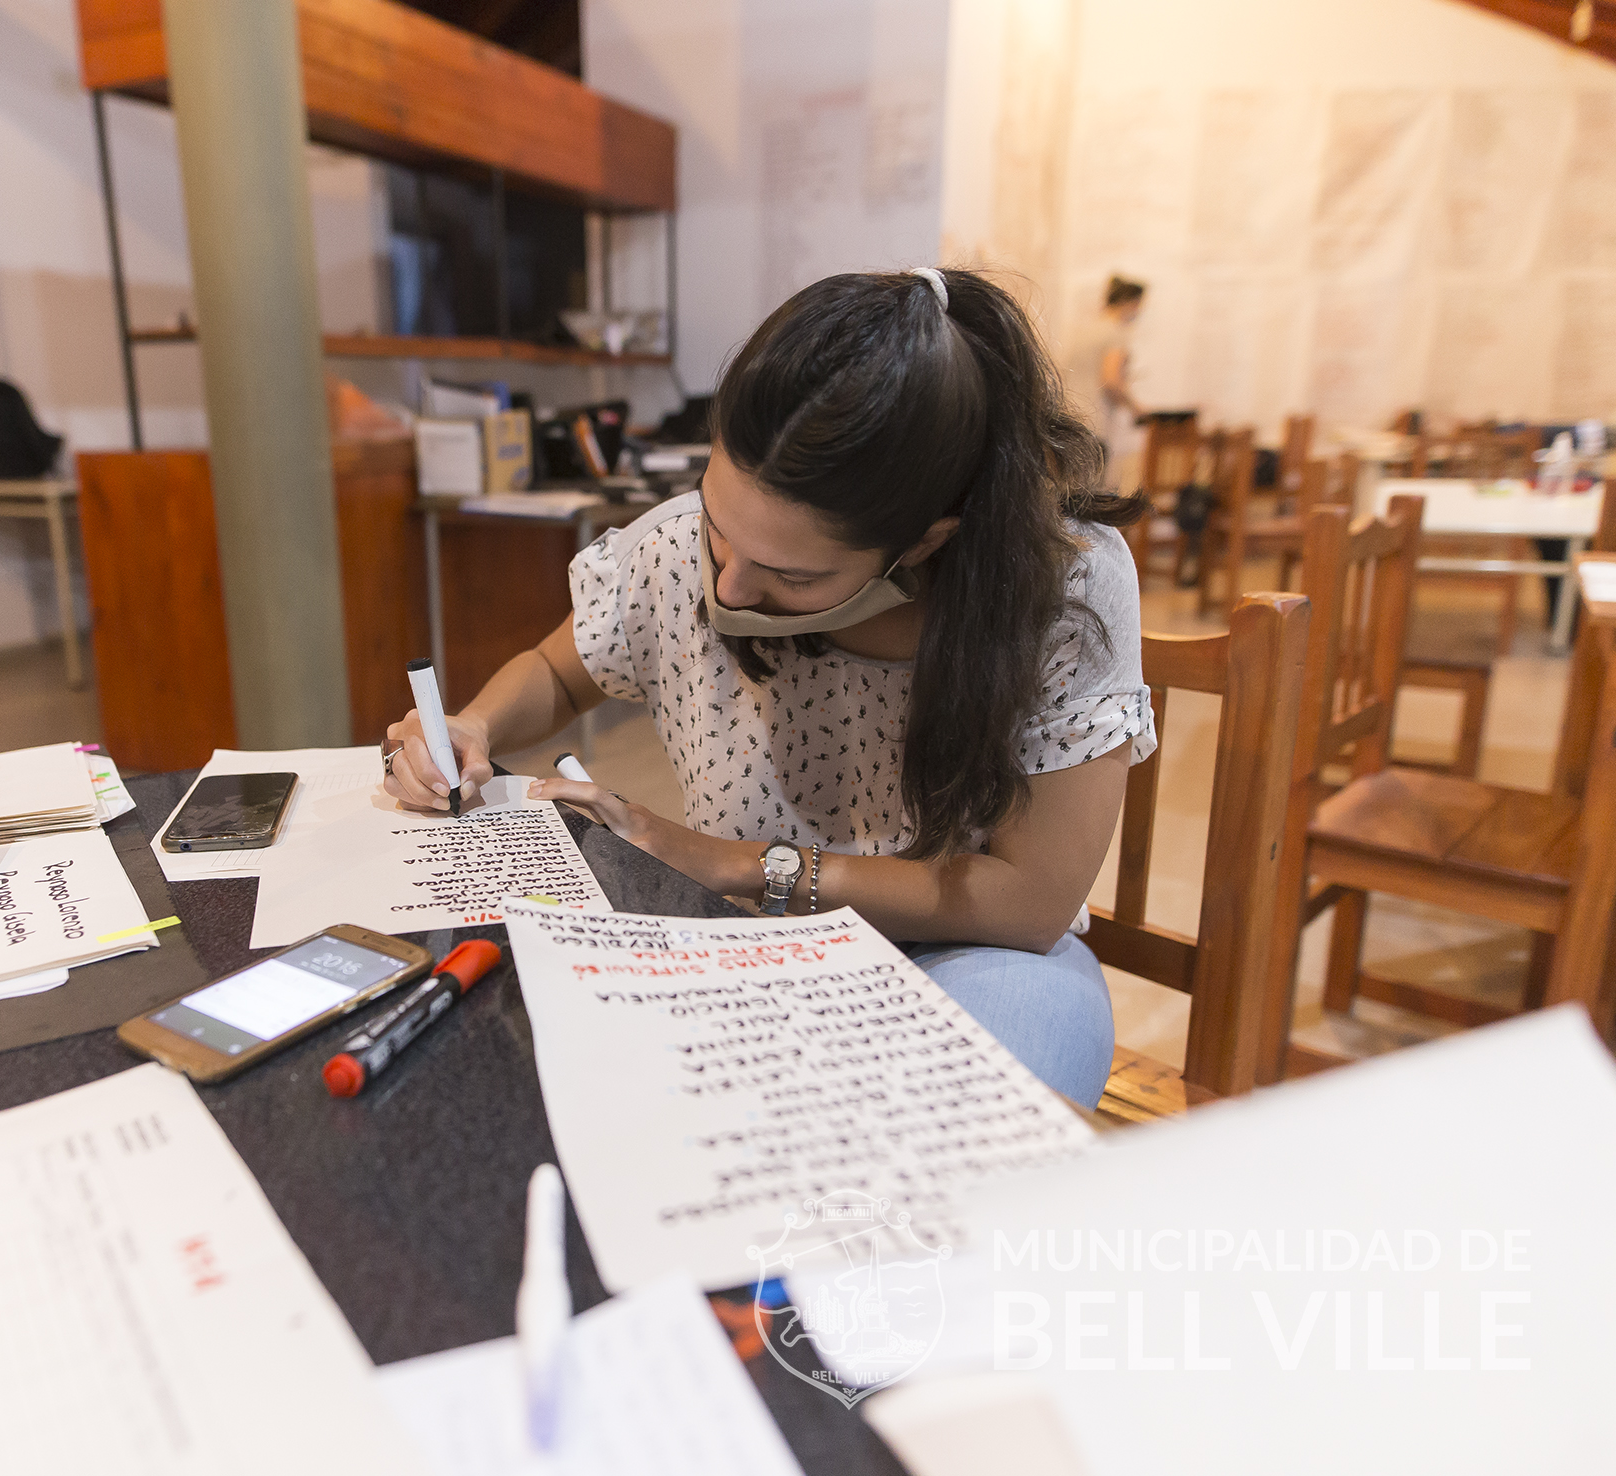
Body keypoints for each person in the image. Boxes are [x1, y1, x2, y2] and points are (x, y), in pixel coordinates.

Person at [383, 268, 1152, 1108]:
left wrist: (728, 863)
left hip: (974, 954)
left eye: (793, 574)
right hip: (741, 944)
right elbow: (557, 672)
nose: (730, 585)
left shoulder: (1062, 588)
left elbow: (1029, 904)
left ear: (925, 542)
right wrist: (472, 724)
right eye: (716, 527)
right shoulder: (673, 549)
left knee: (966, 1131)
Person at [1067, 276, 1146, 493]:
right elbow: (1111, 381)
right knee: (1091, 496)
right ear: (1130, 303)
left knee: (1068, 494)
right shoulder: (1115, 333)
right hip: (1094, 424)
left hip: (1068, 421)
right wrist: (1136, 408)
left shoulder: (1084, 331)